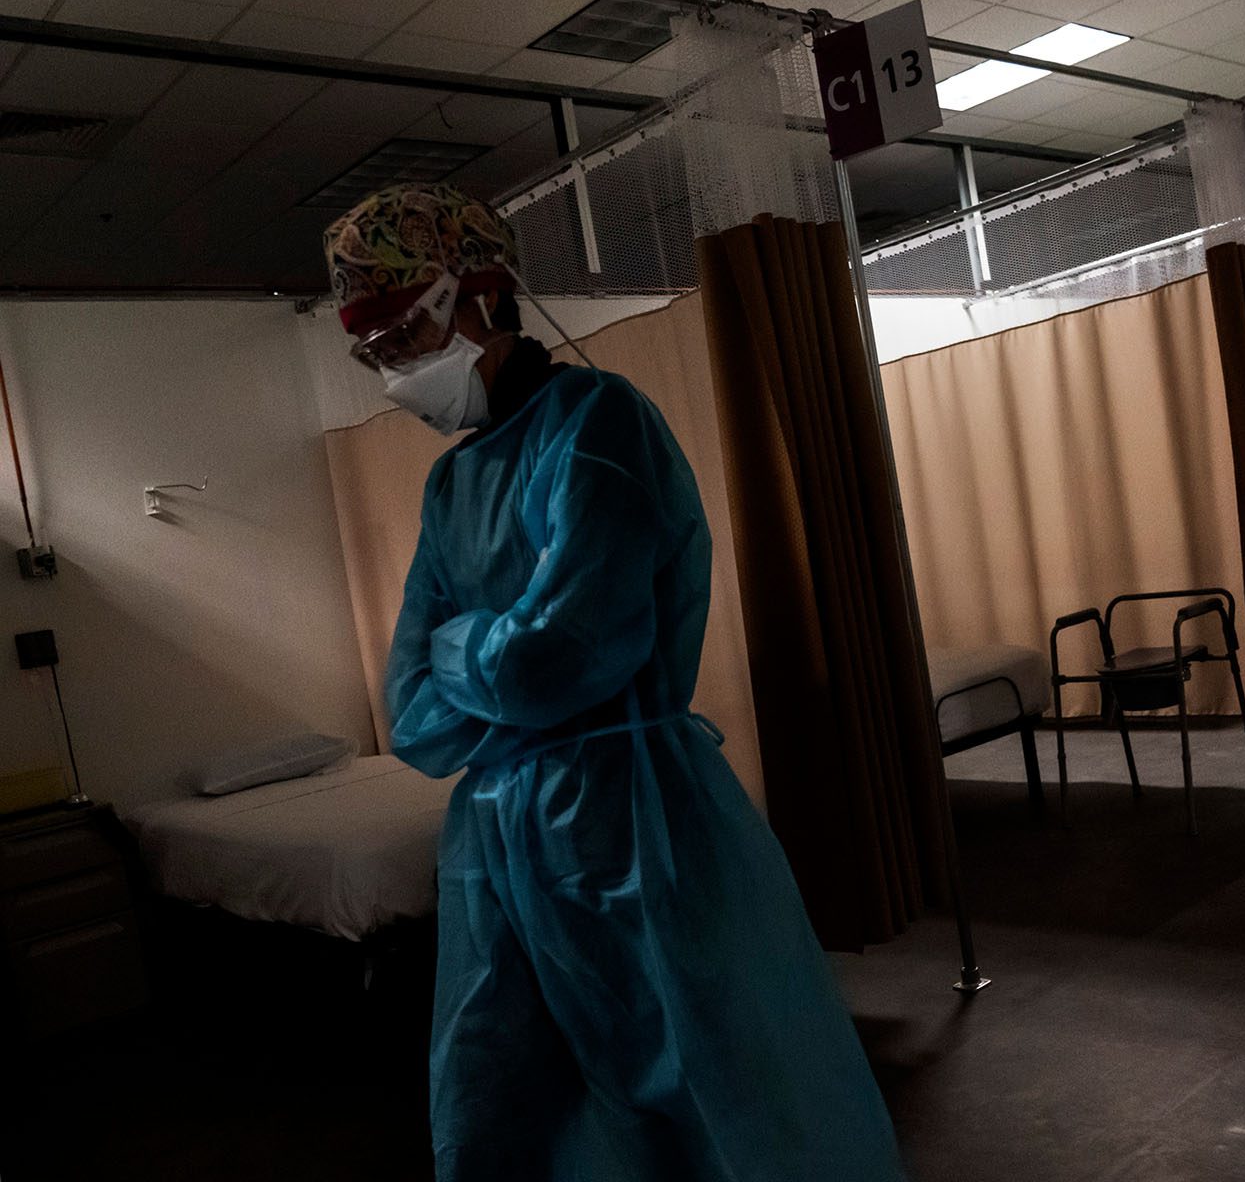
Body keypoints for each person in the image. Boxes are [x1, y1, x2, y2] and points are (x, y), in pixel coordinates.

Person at [324, 184, 905, 1181]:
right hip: (496, 849)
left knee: (702, 1087)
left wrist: (467, 647)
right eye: (374, 350)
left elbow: (563, 656)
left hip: (632, 825)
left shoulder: (597, 425)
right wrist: (493, 654)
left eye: (409, 334)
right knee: (509, 1096)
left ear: (486, 297)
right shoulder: (452, 484)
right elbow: (412, 719)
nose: (397, 372)